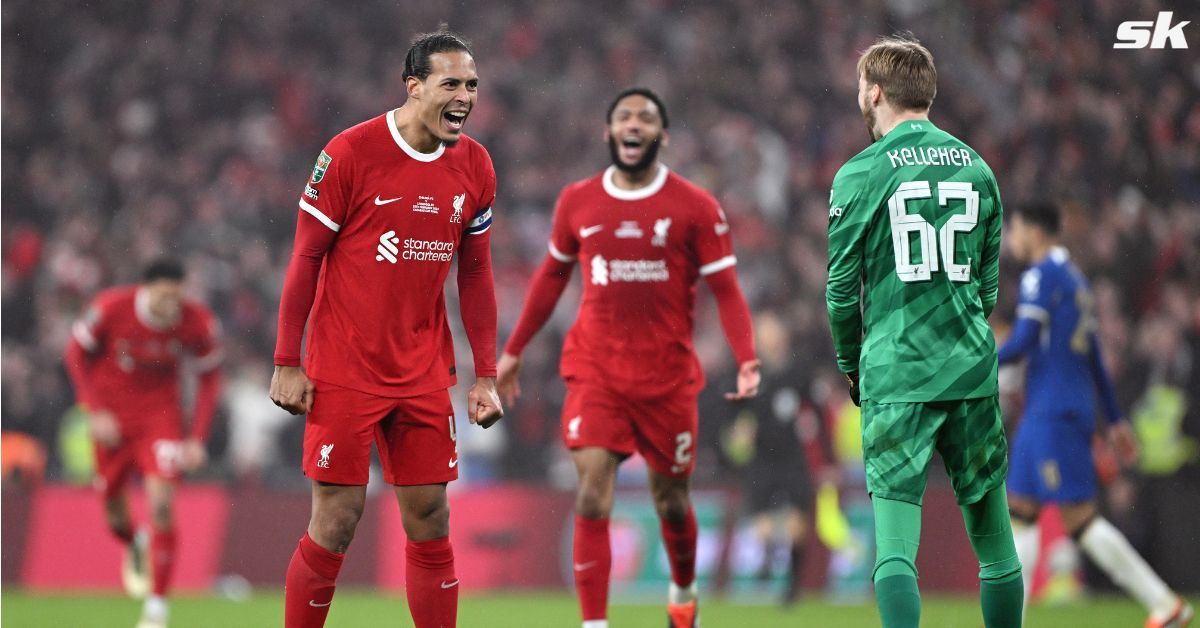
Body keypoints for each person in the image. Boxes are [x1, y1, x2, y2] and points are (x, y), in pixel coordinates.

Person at [496, 87, 760, 628]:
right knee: (592, 489)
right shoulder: (578, 201)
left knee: (670, 502)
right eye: (623, 116)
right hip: (597, 371)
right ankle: (595, 625)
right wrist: (514, 350)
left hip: (666, 378)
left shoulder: (695, 206)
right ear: (608, 133)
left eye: (645, 117)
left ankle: (683, 591)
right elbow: (550, 278)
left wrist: (747, 357)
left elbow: (728, 290)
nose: (633, 124)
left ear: (661, 136)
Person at [269, 30, 502, 628]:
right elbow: (305, 258)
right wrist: (286, 360)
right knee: (337, 523)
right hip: (344, 366)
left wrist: (487, 375)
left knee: (431, 519)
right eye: (451, 84)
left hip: (423, 370)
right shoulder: (351, 152)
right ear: (415, 85)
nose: (465, 97)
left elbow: (475, 276)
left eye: (472, 85)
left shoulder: (475, 164)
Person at [825, 34, 1022, 628]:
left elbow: (840, 293)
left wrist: (852, 363)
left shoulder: (861, 172)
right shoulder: (979, 169)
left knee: (895, 547)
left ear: (876, 91)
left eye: (863, 85)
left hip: (895, 370)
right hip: (968, 368)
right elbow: (987, 290)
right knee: (994, 543)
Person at [1000, 202, 1193, 628]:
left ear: (1034, 231)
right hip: (1059, 409)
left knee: (1080, 520)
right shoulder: (1076, 281)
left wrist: (970, 359)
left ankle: (1166, 605)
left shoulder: (1041, 276)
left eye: (1013, 229)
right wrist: (1115, 418)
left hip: (1052, 412)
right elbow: (1095, 363)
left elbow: (1021, 343)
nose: (1010, 239)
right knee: (1022, 511)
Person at [64, 258, 223, 628]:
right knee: (115, 517)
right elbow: (75, 355)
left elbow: (210, 378)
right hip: (113, 423)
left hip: (160, 419)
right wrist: (95, 410)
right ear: (144, 289)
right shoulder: (109, 308)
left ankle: (156, 610)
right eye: (164, 296)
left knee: (162, 504)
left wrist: (197, 438)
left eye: (177, 297)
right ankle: (135, 541)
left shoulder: (197, 321)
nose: (171, 306)